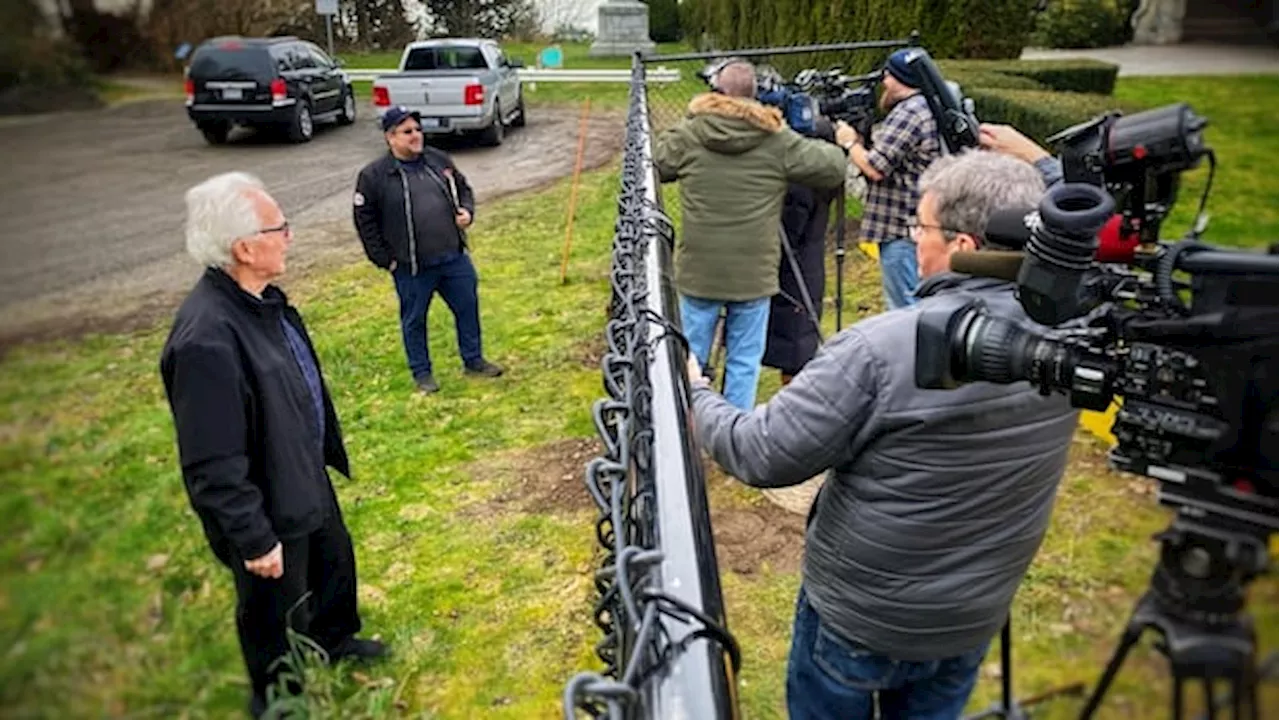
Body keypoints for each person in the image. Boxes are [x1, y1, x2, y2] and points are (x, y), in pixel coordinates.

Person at [685, 150, 1081, 719]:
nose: (912, 240)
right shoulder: (1077, 338)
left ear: (964, 248)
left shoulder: (881, 348)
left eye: (919, 226)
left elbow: (760, 452)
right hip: (973, 613)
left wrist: (697, 391)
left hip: (862, 619)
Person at [159, 172, 386, 718]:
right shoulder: (206, 339)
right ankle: (278, 698)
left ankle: (335, 640)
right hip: (265, 500)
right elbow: (213, 462)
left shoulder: (259, 302)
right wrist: (253, 538)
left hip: (301, 469)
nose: (290, 235)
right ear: (244, 247)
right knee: (272, 607)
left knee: (333, 561)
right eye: (279, 227)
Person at [653, 60, 850, 410]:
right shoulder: (776, 138)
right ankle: (734, 437)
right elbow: (833, 167)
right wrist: (833, 137)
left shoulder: (692, 132)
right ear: (755, 94)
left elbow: (658, 161)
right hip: (754, 273)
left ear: (715, 92)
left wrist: (689, 120)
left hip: (701, 269)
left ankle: (685, 428)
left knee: (691, 354)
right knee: (744, 361)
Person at [353, 105, 504, 395]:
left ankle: (473, 360)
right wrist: (385, 260)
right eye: (407, 132)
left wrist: (467, 213)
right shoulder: (375, 176)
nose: (416, 136)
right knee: (414, 319)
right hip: (412, 267)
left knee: (467, 308)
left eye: (418, 130)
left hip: (453, 258)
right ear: (390, 137)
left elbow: (464, 189)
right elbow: (365, 221)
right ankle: (422, 373)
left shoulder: (438, 160)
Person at [841, 48, 943, 310]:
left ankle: (906, 352)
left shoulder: (909, 112)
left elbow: (876, 168)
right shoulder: (928, 106)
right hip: (916, 223)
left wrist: (849, 142)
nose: (884, 82)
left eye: (888, 76)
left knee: (904, 307)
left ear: (900, 79)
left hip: (900, 226)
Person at [762, 117, 842, 386]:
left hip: (793, 271)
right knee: (800, 340)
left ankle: (793, 394)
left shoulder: (801, 185)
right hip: (810, 266)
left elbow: (790, 229)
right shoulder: (827, 181)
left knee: (794, 346)